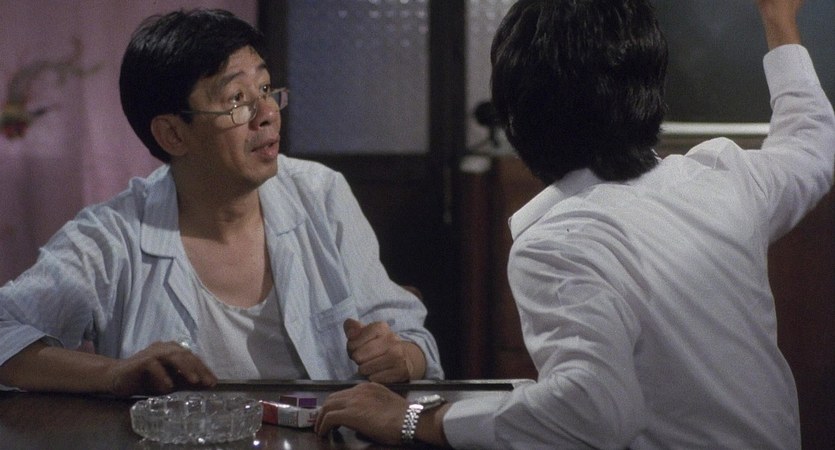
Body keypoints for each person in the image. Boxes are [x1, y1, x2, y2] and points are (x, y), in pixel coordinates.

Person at [313, 0, 834, 448]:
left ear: (518, 115)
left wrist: (413, 420)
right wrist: (779, 18)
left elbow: (593, 409)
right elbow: (812, 145)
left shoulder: (559, 244)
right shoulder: (723, 181)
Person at [0, 9, 443, 398]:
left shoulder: (320, 194)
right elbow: (5, 332)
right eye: (237, 100)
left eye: (266, 89)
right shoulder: (114, 236)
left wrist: (400, 357)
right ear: (173, 134)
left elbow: (410, 337)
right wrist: (113, 374)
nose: (267, 113)